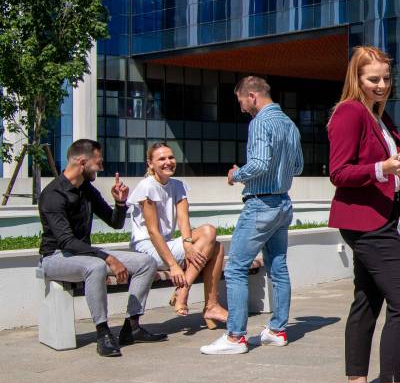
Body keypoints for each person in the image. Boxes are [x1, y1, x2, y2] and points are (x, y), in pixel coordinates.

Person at [327, 46, 400, 383]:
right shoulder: (350, 112)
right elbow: (339, 172)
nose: (382, 85)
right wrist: (383, 167)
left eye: (386, 78)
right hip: (365, 222)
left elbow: (393, 163)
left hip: (378, 217)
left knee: (367, 300)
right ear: (357, 78)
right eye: (373, 79)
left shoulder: (379, 117)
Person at [201, 75, 303, 355]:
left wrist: (237, 174)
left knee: (234, 268)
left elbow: (258, 163)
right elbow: (297, 167)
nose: (242, 107)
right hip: (283, 203)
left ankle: (235, 337)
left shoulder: (260, 123)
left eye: (241, 101)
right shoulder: (290, 125)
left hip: (261, 205)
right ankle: (277, 330)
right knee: (278, 267)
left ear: (252, 96)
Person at [38, 139, 162, 357]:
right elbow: (66, 241)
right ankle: (103, 333)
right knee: (95, 266)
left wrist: (121, 203)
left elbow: (115, 223)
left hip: (83, 253)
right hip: (54, 257)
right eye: (98, 163)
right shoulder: (52, 195)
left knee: (146, 262)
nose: (101, 168)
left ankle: (131, 326)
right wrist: (107, 258)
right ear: (82, 162)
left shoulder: (87, 190)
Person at [128, 142, 228, 329]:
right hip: (147, 249)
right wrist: (174, 266)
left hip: (168, 245)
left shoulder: (178, 185)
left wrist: (188, 245)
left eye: (171, 157)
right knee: (209, 233)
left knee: (217, 246)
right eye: (162, 159)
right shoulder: (146, 187)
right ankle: (189, 293)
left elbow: (183, 220)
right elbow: (153, 231)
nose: (168, 162)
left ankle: (209, 305)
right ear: (150, 164)